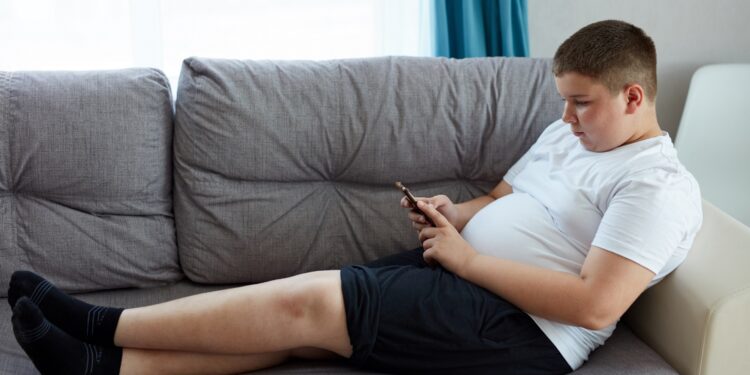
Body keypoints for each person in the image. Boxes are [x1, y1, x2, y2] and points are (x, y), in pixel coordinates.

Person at [8, 19, 702, 375]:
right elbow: (502, 193)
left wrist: (464, 259)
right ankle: (107, 368)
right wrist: (453, 217)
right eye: (563, 103)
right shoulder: (572, 136)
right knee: (300, 326)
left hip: (526, 332)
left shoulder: (655, 185)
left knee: (306, 302)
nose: (566, 118)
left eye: (581, 104)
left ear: (633, 96)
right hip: (463, 272)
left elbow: (594, 303)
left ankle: (98, 324)